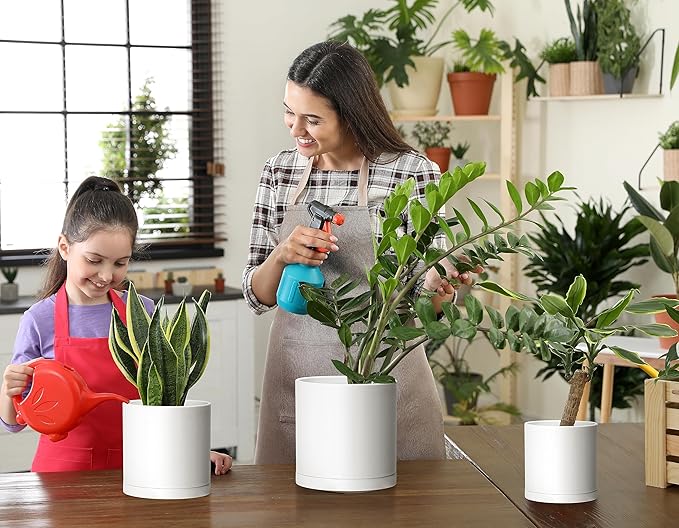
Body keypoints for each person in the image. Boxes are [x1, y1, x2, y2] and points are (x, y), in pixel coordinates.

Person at [243, 41, 477, 464]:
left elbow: (426, 303)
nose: (296, 129)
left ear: (351, 114)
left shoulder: (412, 172)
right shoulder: (279, 171)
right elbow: (256, 296)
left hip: (388, 377)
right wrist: (282, 255)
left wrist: (442, 285)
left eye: (313, 119)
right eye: (290, 112)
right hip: (297, 380)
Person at [0, 176, 232, 475]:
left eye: (120, 263)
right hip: (61, 472)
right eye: (94, 260)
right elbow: (13, 423)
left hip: (138, 466)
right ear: (65, 247)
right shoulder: (39, 319)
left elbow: (163, 406)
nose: (107, 275)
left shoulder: (142, 312)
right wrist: (8, 389)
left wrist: (192, 452)